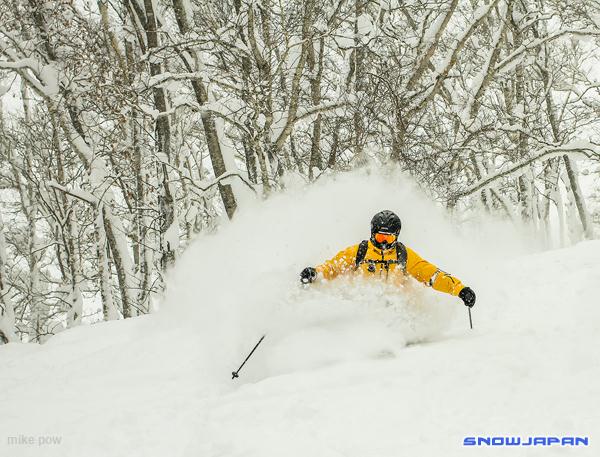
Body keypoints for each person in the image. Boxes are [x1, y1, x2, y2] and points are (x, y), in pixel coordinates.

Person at [300, 210, 476, 308]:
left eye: (389, 238)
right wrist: (315, 273)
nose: (384, 243)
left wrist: (460, 289)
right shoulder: (359, 251)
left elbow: (430, 274)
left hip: (395, 309)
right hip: (362, 307)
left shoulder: (402, 254)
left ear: (396, 236)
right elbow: (333, 268)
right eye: (380, 237)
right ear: (372, 234)